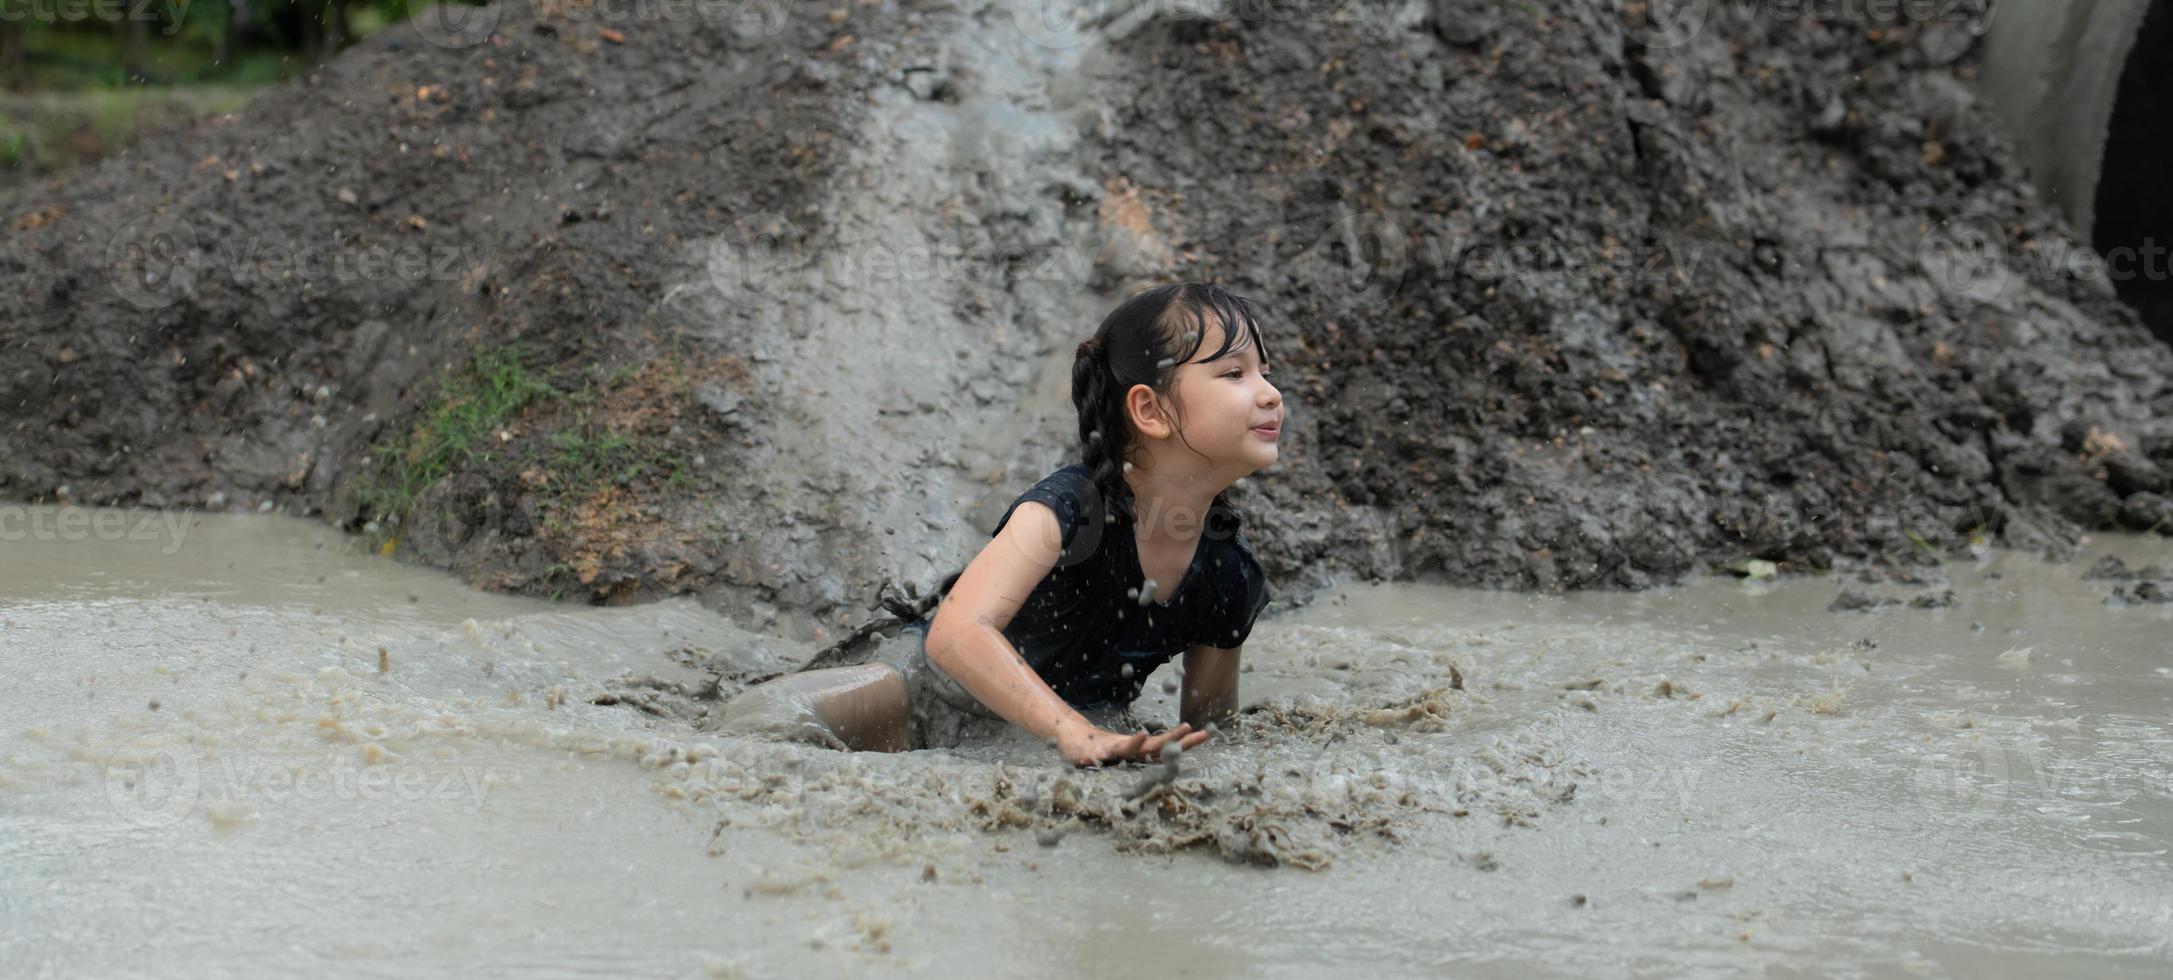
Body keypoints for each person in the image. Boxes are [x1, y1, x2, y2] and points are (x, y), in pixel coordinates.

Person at [713, 282, 1282, 767]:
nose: (1271, 394)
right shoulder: (1064, 512)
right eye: (1234, 373)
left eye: (1266, 372)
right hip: (929, 696)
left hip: (1070, 733)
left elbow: (1212, 735)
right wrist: (1072, 732)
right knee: (752, 723)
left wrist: (1129, 744)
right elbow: (957, 633)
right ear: (1150, 411)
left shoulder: (1228, 573)